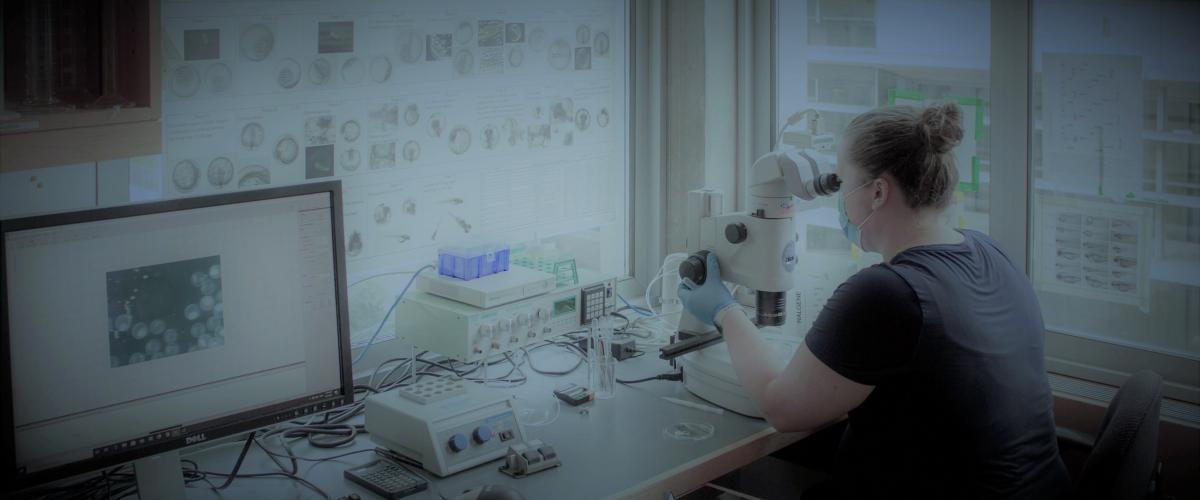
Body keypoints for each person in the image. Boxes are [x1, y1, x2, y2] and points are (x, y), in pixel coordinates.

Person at [677, 103, 1070, 499]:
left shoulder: (888, 293)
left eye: (843, 183)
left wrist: (723, 309)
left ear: (878, 192)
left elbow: (781, 409)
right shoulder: (991, 253)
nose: (840, 199)